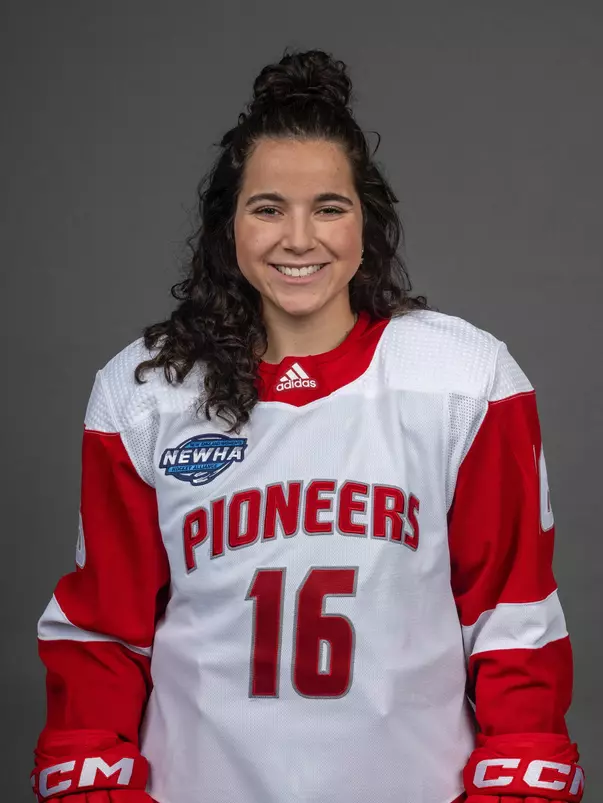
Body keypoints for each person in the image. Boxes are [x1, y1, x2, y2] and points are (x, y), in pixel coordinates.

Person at [32, 48, 584, 803]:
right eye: (267, 208)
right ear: (227, 225)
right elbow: (104, 633)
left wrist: (517, 780)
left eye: (328, 207)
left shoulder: (462, 377)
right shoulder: (147, 390)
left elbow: (512, 619)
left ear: (366, 222)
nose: (299, 238)